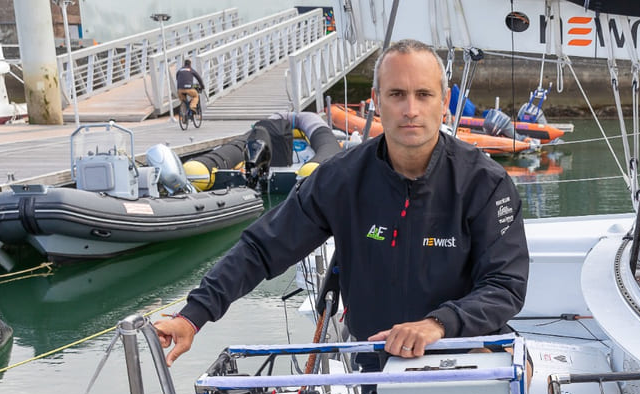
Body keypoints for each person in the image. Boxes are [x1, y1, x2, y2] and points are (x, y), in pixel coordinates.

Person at [154, 39, 529, 367]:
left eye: (424, 95)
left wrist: (438, 324)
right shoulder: (341, 178)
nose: (410, 109)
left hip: (463, 350)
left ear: (443, 103)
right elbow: (262, 249)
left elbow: (505, 284)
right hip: (376, 359)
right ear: (377, 102)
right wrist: (192, 316)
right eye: (397, 95)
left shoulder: (485, 183)